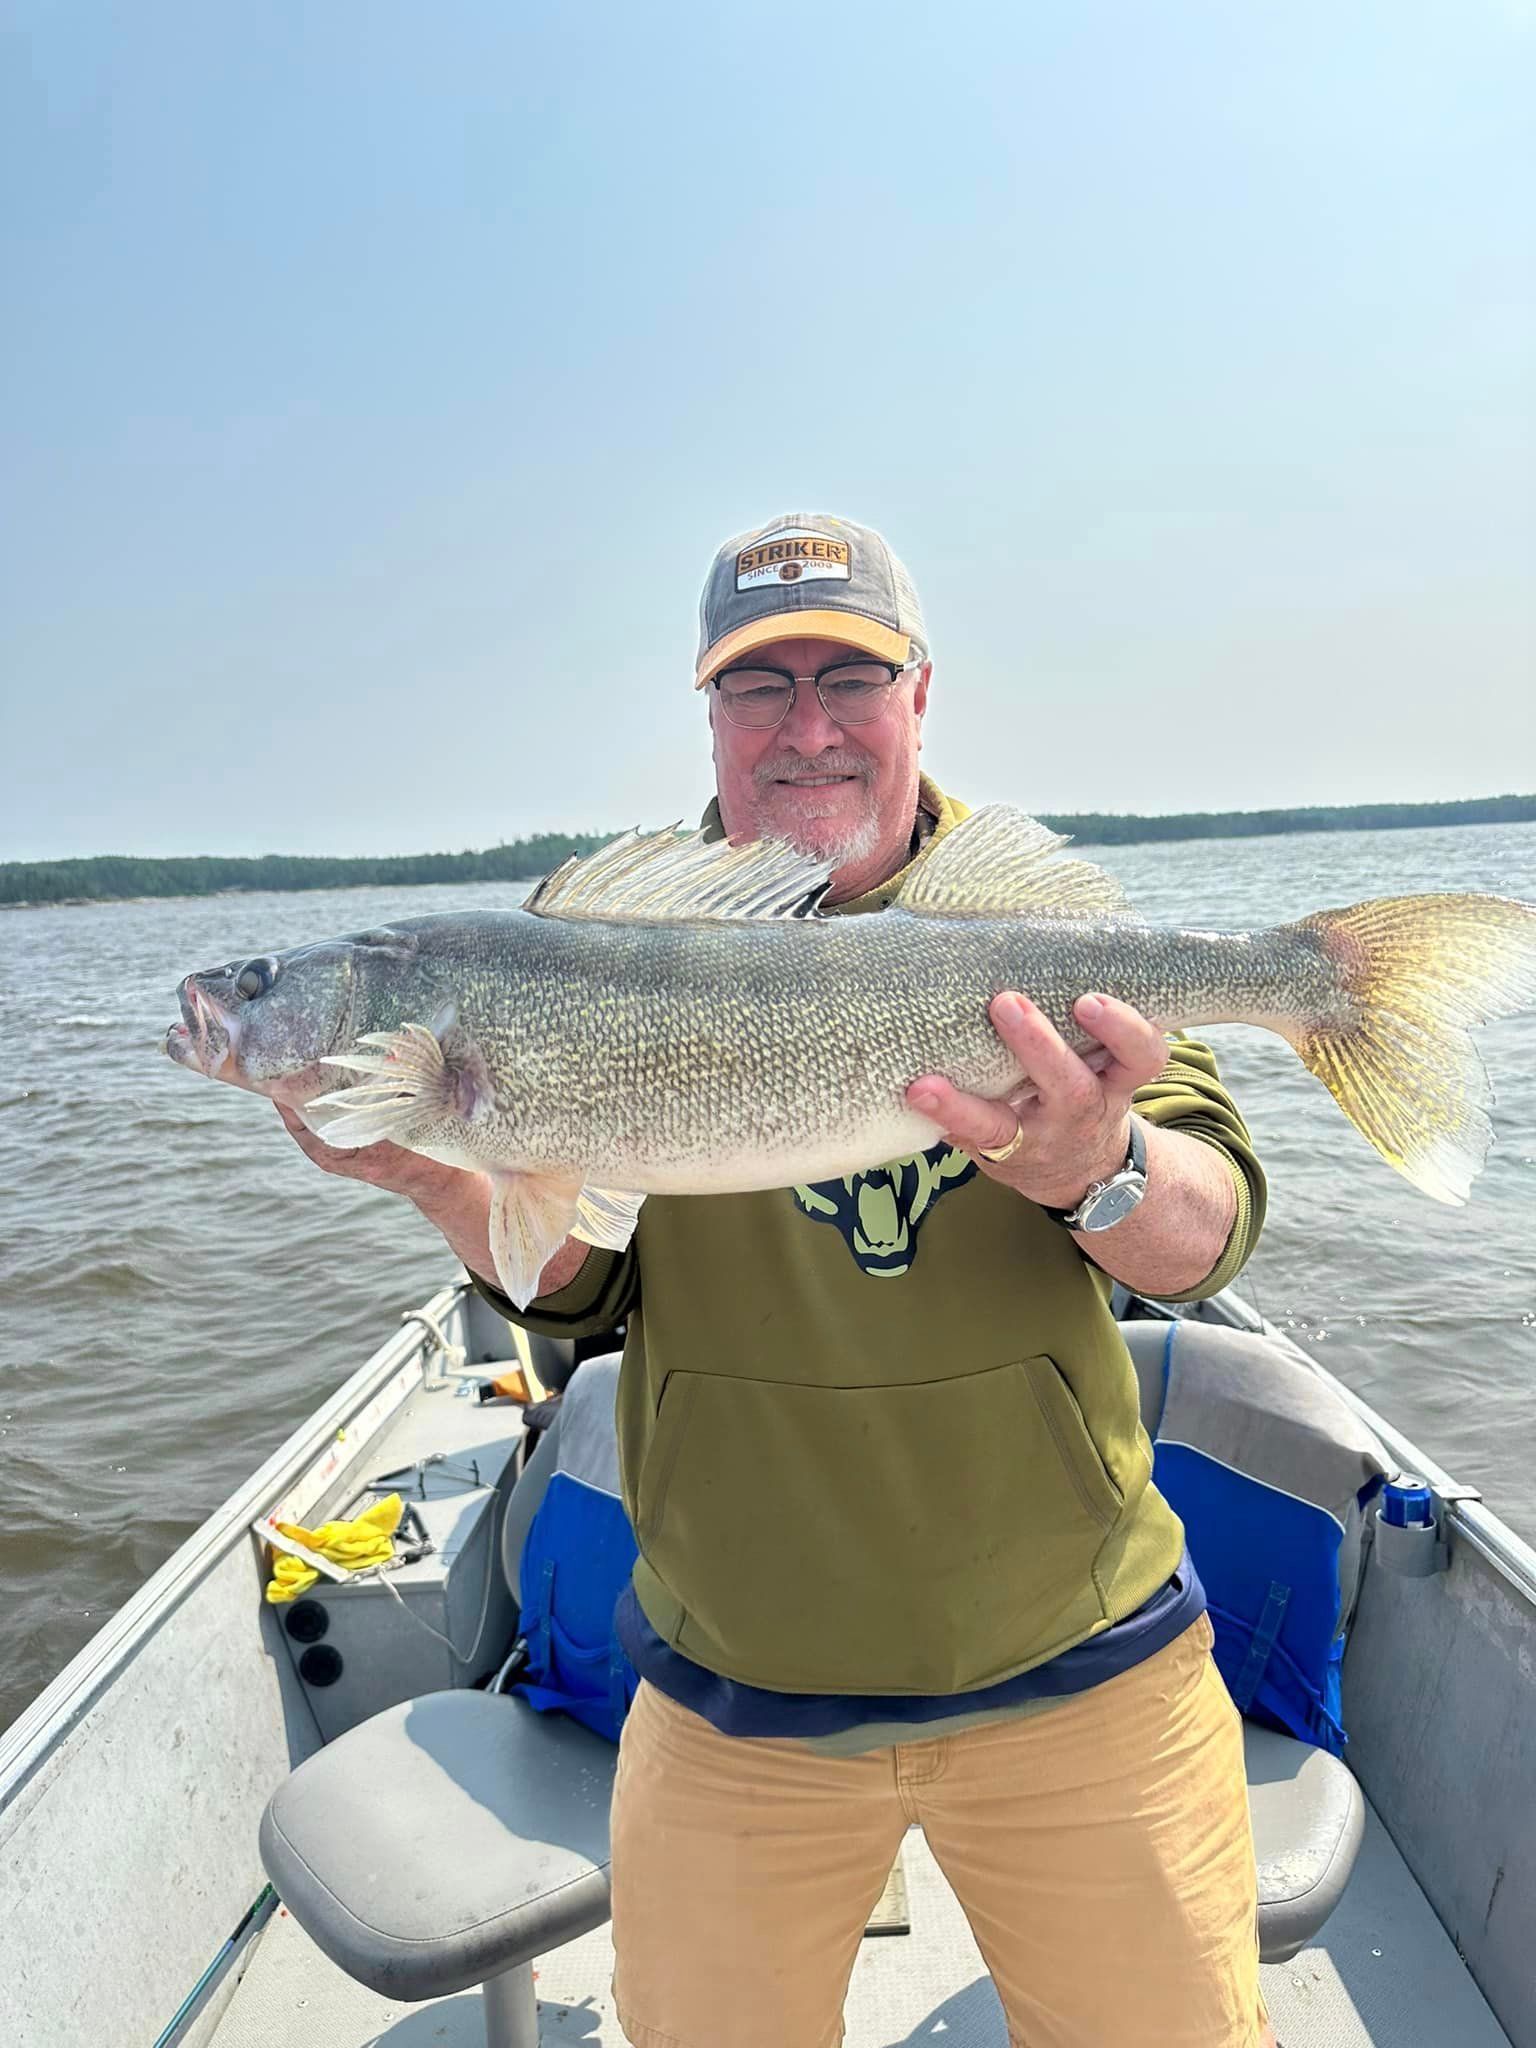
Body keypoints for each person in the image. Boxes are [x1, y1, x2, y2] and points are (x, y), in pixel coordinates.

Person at [280, 512, 1278, 2048]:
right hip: (736, 1692)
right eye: (761, 688)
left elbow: (1206, 1235)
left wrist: (1105, 1170)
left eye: (849, 677)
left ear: (920, 696)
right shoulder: (593, 944)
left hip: (1084, 1668)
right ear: (710, 714)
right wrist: (434, 1170)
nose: (807, 727)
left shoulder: (1033, 936)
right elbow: (576, 1292)